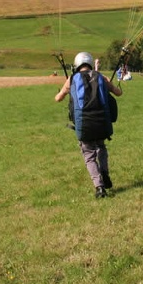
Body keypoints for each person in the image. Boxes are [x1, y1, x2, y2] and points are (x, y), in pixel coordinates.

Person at [55, 51, 123, 199]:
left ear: (77, 65)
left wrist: (63, 92)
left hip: (84, 124)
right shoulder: (101, 78)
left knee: (89, 155)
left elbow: (58, 98)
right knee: (101, 147)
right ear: (90, 63)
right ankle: (104, 171)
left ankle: (99, 187)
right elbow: (118, 93)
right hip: (101, 123)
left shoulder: (72, 79)